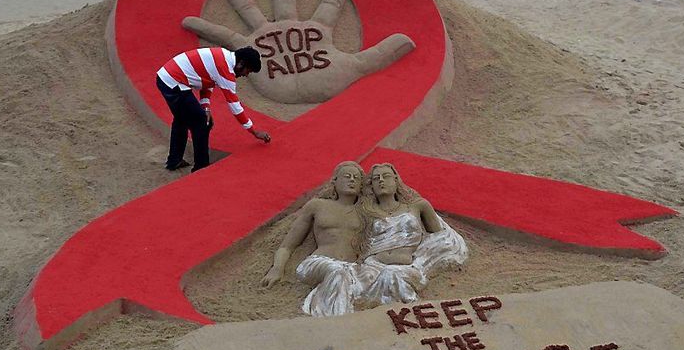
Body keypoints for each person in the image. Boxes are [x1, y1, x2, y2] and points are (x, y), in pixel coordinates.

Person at [260, 161, 367, 316]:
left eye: (356, 178)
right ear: (335, 181)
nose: (352, 180)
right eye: (347, 176)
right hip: (318, 262)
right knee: (338, 272)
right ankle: (333, 320)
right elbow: (287, 246)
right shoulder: (317, 206)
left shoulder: (366, 212)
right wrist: (277, 269)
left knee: (345, 275)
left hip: (350, 267)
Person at [354, 163, 468, 308]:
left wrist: (425, 257)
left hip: (408, 267)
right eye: (376, 179)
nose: (381, 180)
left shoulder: (418, 206)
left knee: (391, 274)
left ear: (396, 180)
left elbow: (440, 237)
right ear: (371, 185)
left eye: (386, 176)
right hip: (372, 267)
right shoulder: (366, 212)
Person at [155, 45, 270, 172]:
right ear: (241, 63)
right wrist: (254, 131)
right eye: (248, 70)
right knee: (202, 122)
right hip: (174, 82)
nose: (246, 75)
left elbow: (208, 81)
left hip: (168, 79)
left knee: (183, 119)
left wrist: (206, 107)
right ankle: (201, 167)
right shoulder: (226, 70)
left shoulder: (224, 57)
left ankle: (174, 160)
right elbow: (235, 106)